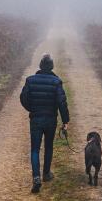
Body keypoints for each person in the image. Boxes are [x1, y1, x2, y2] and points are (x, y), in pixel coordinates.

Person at [20, 53, 70, 193]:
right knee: (48, 146)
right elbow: (62, 102)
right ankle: (46, 174)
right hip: (50, 119)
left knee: (35, 149)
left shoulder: (30, 80)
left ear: (40, 66)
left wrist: (32, 108)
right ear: (52, 66)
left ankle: (36, 177)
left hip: (36, 118)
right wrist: (65, 120)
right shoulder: (56, 82)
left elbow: (24, 98)